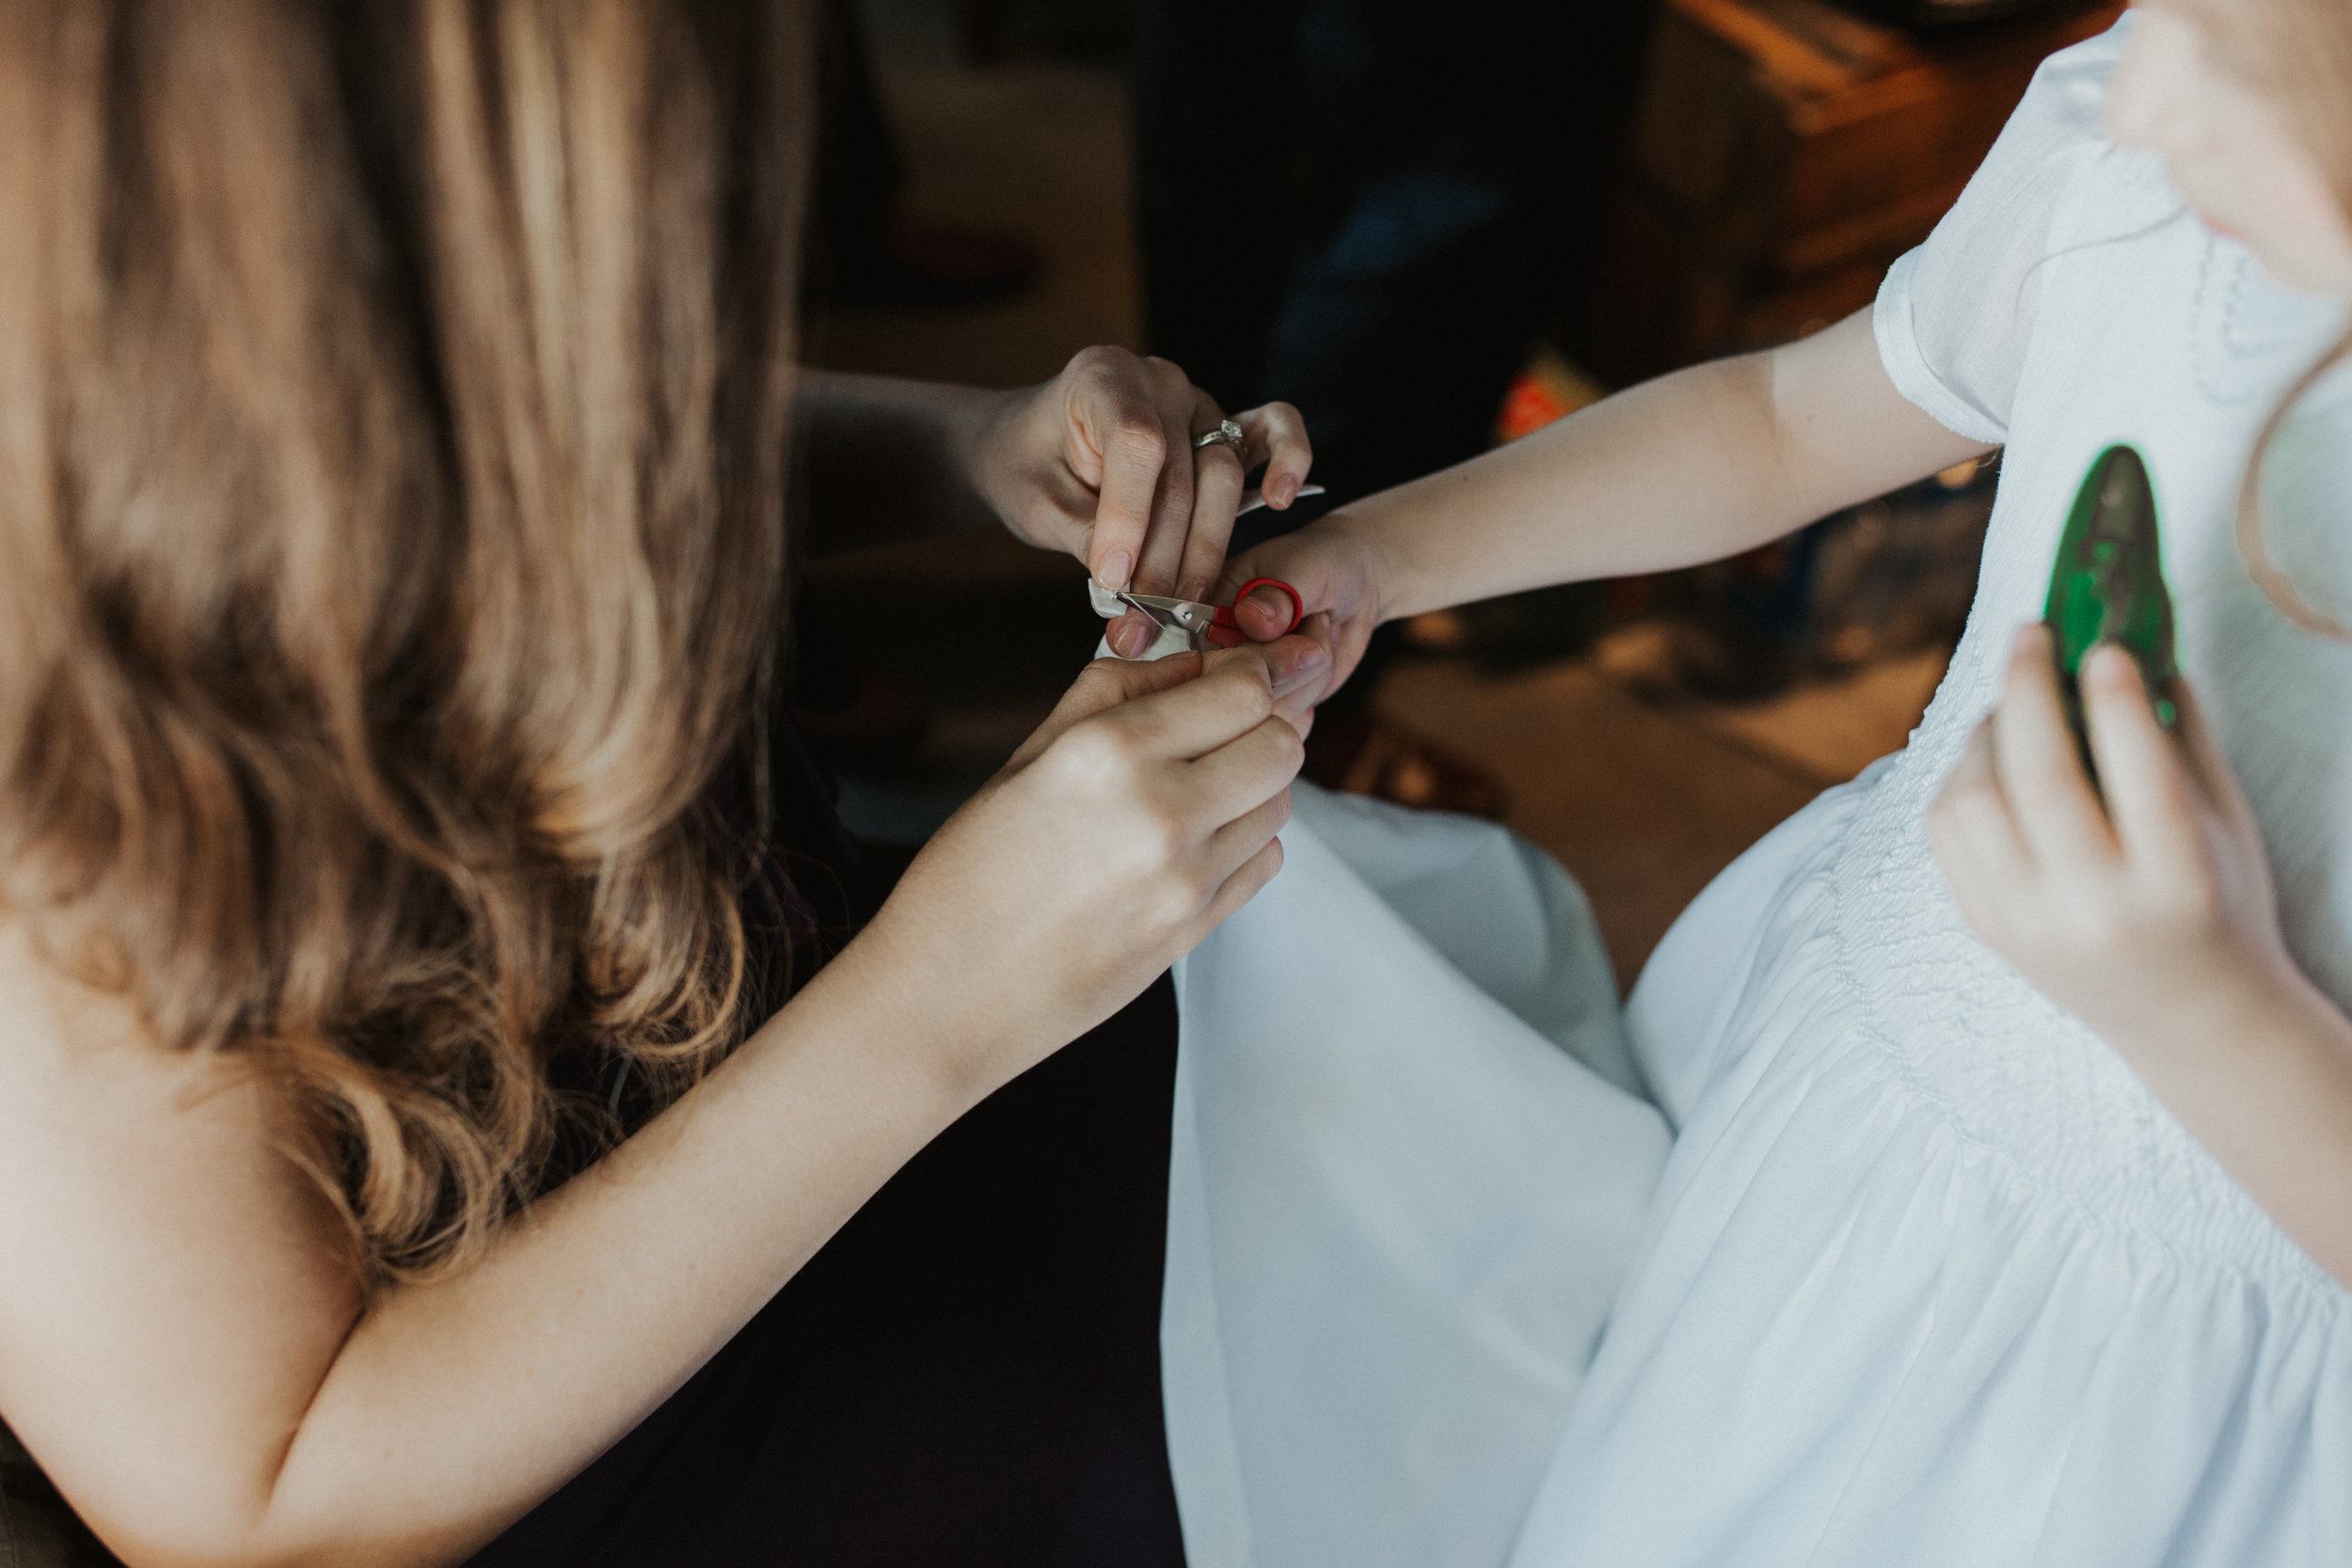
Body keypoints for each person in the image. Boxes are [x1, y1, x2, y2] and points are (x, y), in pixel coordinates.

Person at [0, 3, 1323, 1564]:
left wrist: (973, 446)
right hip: (595, 1428)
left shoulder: (273, 313)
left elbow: (533, 421)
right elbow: (267, 1507)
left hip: (773, 1041)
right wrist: (938, 998)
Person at [1166, 2, 2352, 1560]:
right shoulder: (2138, 127)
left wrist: (2209, 1010)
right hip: (1836, 1136)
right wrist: (1379, 555)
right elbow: (1795, 417)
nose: (2144, 84)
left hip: (2187, 1386)